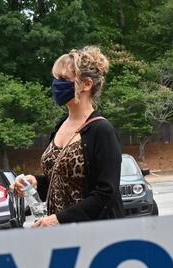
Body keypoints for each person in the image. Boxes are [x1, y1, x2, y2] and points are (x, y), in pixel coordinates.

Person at [15, 46, 123, 226]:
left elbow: (106, 193)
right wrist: (34, 183)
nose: (57, 84)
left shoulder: (102, 130)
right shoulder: (60, 125)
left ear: (87, 84)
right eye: (56, 78)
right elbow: (60, 183)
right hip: (61, 235)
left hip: (94, 235)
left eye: (64, 79)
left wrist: (59, 219)